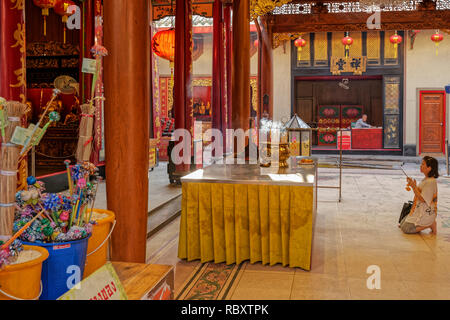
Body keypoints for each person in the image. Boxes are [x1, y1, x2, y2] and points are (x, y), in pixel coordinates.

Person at [399, 156, 439, 235]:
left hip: (425, 212)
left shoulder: (430, 182)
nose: (421, 166)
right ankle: (426, 223)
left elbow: (422, 199)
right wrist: (413, 185)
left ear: (429, 168)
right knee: (402, 223)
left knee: (406, 228)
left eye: (423, 164)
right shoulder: (426, 179)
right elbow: (421, 192)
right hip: (419, 209)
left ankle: (430, 224)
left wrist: (413, 187)